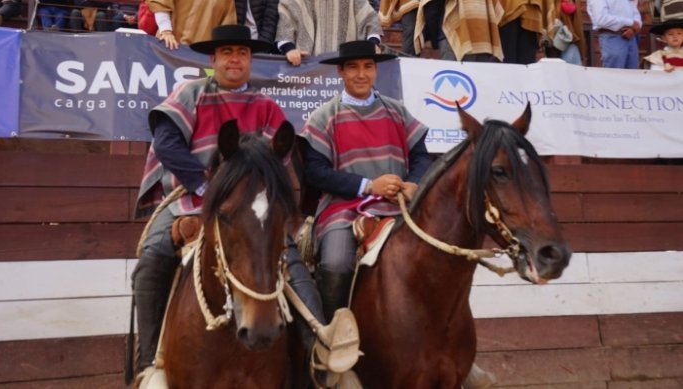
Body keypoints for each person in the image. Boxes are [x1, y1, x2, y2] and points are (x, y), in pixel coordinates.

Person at [132, 24, 358, 387]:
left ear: (250, 60)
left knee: (297, 271)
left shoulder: (266, 106)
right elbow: (167, 144)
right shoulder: (190, 94)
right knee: (152, 260)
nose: (235, 59)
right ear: (213, 58)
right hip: (189, 201)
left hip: (250, 211)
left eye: (242, 53)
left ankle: (320, 353)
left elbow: (275, 164)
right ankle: (150, 365)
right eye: (227, 52)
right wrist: (209, 187)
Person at [299, 40, 496, 389]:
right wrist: (366, 185)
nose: (362, 74)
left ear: (375, 71)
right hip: (343, 210)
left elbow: (421, 154)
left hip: (399, 208)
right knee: (335, 263)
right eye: (354, 67)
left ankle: (457, 352)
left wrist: (413, 183)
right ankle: (333, 350)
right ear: (341, 72)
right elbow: (314, 171)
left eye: (368, 67)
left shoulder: (396, 110)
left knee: (440, 260)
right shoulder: (323, 116)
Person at [275, 0, 384, 66]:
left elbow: (369, 19)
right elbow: (286, 24)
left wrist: (373, 43)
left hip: (346, 65)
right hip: (308, 69)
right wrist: (289, 49)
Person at [414, 0, 504, 62]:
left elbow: (432, 8)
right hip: (483, 39)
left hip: (453, 39)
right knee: (478, 85)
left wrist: (434, 41)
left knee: (452, 83)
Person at [148, 0, 236, 50]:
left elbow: (227, 26)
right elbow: (160, 3)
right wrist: (166, 31)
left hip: (201, 56)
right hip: (169, 46)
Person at [587, 0, 642, 69]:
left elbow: (635, 12)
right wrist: (630, 23)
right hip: (612, 37)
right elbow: (601, 19)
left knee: (633, 76)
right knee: (614, 76)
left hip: (631, 37)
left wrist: (633, 29)